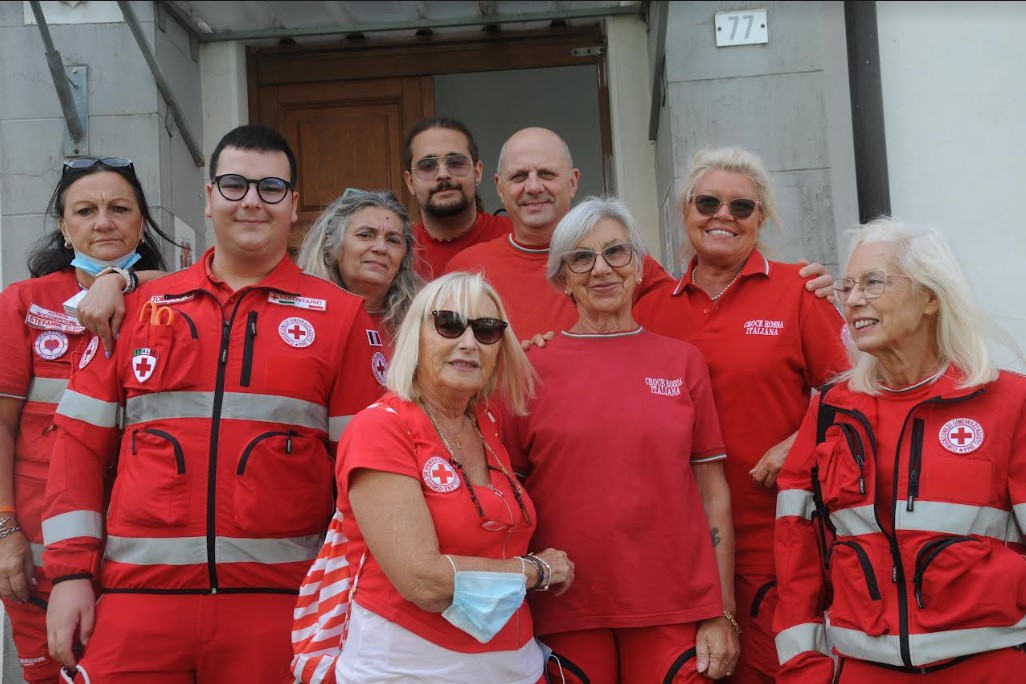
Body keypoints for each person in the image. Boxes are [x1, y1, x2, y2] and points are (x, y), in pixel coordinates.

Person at [42, 124, 383, 683]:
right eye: (234, 185)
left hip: (283, 606)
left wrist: (351, 595)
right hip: (136, 602)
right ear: (208, 198)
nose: (252, 201)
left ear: (293, 204)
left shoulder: (341, 318)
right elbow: (78, 447)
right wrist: (69, 576)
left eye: (271, 188)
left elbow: (366, 476)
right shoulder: (135, 309)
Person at [774, 218, 1026, 682]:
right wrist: (804, 671)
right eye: (847, 286)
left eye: (873, 282)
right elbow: (797, 555)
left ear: (930, 297)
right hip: (864, 670)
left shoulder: (1010, 403)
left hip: (991, 667)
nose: (852, 300)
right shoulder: (830, 410)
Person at [632, 146, 849, 683]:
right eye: (707, 201)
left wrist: (797, 443)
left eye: (741, 207)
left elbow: (852, 396)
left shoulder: (799, 290)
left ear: (762, 218)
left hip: (774, 548)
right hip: (673, 551)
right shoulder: (649, 305)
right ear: (684, 211)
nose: (722, 215)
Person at [295, 271, 573, 683]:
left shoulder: (487, 423)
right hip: (408, 668)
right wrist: (536, 571)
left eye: (486, 330)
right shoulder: (381, 428)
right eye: (448, 324)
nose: (468, 342)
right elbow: (423, 581)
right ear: (416, 337)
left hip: (515, 667)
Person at [504, 197, 740, 682]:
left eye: (616, 252)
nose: (601, 269)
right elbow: (509, 503)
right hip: (565, 607)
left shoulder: (682, 362)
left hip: (672, 605)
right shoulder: (529, 372)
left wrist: (723, 610)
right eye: (581, 258)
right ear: (562, 277)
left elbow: (711, 492)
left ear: (637, 264)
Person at [0, 156, 172, 683]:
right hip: (40, 558)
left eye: (120, 209)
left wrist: (122, 279)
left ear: (141, 222)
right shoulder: (23, 304)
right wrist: (4, 530)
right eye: (86, 210)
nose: (104, 222)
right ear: (63, 225)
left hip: (143, 556)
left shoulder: (171, 299)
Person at [443, 127, 673, 340]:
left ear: (573, 182)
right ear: (500, 188)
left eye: (546, 174)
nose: (533, 187)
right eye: (519, 177)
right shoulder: (467, 267)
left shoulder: (619, 259)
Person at [296, 187, 423, 353]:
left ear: (404, 256)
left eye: (393, 240)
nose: (381, 248)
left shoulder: (422, 319)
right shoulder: (301, 315)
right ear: (331, 246)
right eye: (365, 235)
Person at [403, 117, 512, 279]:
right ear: (410, 181)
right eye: (427, 166)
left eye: (455, 163)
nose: (443, 174)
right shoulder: (397, 251)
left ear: (477, 172)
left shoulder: (515, 236)